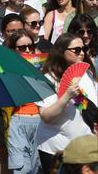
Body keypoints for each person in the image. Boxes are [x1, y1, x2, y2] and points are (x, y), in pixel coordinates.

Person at [37, 33, 95, 174]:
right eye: (76, 50)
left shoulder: (87, 73)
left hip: (85, 147)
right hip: (57, 149)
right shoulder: (48, 79)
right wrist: (67, 96)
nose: (81, 53)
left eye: (83, 49)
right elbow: (46, 116)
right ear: (62, 52)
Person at [4, 30, 41, 174]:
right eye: (22, 48)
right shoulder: (7, 70)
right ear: (13, 50)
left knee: (36, 168)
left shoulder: (42, 67)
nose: (27, 50)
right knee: (21, 169)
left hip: (40, 120)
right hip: (18, 121)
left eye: (30, 46)